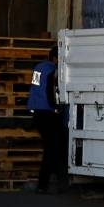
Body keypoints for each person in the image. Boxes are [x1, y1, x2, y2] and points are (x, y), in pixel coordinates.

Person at [26, 45, 67, 195]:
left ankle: (48, 182)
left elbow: (36, 87)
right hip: (47, 112)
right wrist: (55, 107)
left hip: (37, 111)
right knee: (53, 148)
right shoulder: (52, 70)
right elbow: (50, 90)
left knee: (51, 146)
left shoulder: (38, 67)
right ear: (55, 58)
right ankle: (44, 184)